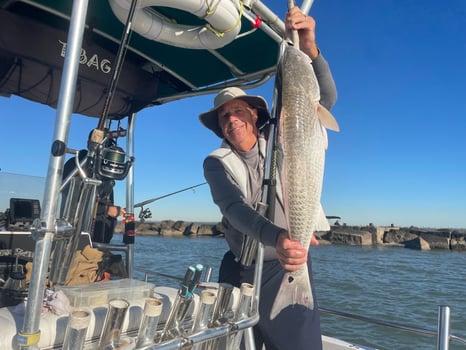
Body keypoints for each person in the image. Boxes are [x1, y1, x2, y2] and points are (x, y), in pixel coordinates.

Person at [199, 6, 337, 350]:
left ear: (256, 115)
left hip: (286, 265)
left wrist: (310, 49)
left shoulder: (282, 135)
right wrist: (276, 236)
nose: (231, 121)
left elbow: (326, 99)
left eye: (238, 112)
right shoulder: (215, 162)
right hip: (240, 268)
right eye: (224, 117)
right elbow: (234, 210)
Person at [61, 131, 125, 244]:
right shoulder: (77, 164)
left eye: (108, 144)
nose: (103, 147)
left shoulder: (105, 170)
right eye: (100, 142)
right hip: (76, 238)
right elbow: (72, 197)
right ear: (89, 143)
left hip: (101, 240)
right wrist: (106, 210)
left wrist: (113, 211)